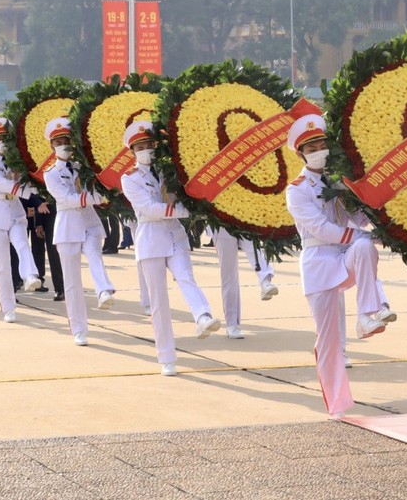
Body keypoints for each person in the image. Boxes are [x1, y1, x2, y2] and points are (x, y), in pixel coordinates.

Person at [285, 114, 396, 419]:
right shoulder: (297, 190)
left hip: (345, 253)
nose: (319, 150)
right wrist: (359, 233)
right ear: (301, 154)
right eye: (312, 147)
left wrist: (379, 228)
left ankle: (366, 316)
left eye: (322, 144)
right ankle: (337, 404)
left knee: (364, 248)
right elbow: (320, 228)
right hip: (320, 262)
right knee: (329, 339)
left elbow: (356, 214)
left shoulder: (338, 180)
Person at [119, 121, 222, 373]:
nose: (147, 150)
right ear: (132, 151)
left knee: (186, 277)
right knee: (159, 301)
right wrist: (184, 211)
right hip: (151, 237)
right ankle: (166, 357)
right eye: (140, 147)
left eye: (150, 145)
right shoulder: (129, 178)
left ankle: (203, 317)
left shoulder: (169, 171)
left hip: (174, 234)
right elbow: (149, 208)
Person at [41, 117, 116, 346]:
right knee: (72, 282)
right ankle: (78, 329)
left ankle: (104, 290)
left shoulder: (84, 168)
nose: (63, 144)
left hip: (89, 222)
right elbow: (66, 198)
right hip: (67, 226)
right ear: (52, 146)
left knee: (95, 254)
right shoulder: (50, 173)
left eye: (66, 140)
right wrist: (97, 197)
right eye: (58, 141)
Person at [0, 117, 43, 322]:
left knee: (23, 244)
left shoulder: (19, 162)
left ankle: (31, 276)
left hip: (15, 209)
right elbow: (1, 183)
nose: (2, 141)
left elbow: (31, 184)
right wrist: (27, 189)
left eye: (5, 138)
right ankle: (8, 307)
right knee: (3, 264)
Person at [210, 226, 280, 339]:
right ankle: (232, 324)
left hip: (243, 217)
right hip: (220, 223)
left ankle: (265, 281)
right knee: (229, 274)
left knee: (254, 248)